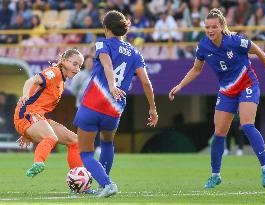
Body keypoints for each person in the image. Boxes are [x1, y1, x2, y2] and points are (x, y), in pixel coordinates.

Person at [169, 8, 265, 189]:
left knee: (247, 125)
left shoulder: (235, 40)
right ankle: (215, 175)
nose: (210, 30)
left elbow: (257, 50)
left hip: (247, 85)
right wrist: (180, 85)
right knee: (219, 133)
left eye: (214, 27)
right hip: (226, 91)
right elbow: (196, 69)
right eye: (207, 27)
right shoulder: (203, 46)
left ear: (222, 26)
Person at [74, 10, 158, 197]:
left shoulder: (102, 43)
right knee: (107, 143)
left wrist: (111, 85)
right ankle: (104, 186)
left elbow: (107, 65)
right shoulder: (136, 53)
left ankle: (107, 183)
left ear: (106, 28)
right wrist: (152, 108)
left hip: (93, 104)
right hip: (115, 108)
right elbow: (146, 82)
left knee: (86, 153)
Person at [14, 49, 84, 178]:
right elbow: (31, 81)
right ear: (64, 61)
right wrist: (25, 95)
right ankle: (38, 162)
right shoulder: (54, 72)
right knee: (51, 137)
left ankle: (80, 182)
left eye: (80, 66)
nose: (77, 69)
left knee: (75, 140)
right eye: (74, 64)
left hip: (36, 116)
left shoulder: (62, 82)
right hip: (27, 113)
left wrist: (28, 132)